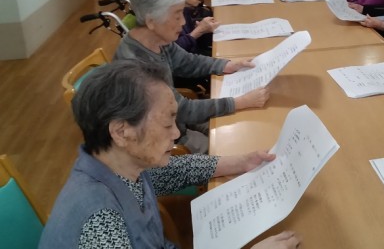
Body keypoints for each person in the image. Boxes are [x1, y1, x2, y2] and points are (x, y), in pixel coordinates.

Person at [39, 60, 301, 249]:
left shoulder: (119, 164)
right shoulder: (102, 227)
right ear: (121, 131)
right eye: (167, 124)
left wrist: (242, 161)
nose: (176, 133)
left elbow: (173, 171)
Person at [114, 0, 269, 153]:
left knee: (244, 128)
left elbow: (188, 61)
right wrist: (240, 102)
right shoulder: (137, 67)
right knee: (235, 147)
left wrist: (226, 65)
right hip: (165, 141)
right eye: (177, 15)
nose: (183, 22)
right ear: (151, 21)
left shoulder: (156, 38)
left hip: (180, 123)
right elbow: (182, 110)